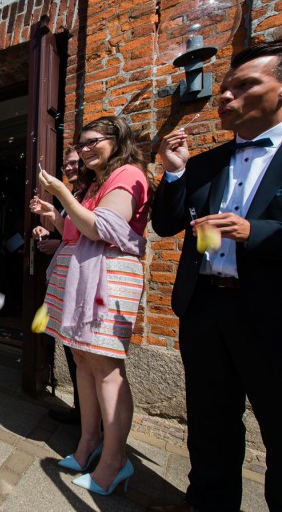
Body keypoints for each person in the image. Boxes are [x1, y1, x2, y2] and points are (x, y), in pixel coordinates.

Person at [151, 40, 282, 512]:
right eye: (224, 88)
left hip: (271, 313)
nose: (225, 97)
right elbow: (165, 224)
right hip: (206, 308)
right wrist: (173, 173)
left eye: (244, 85)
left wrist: (255, 231)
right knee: (210, 423)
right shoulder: (206, 163)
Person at [31, 116, 151, 496]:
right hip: (77, 275)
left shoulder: (129, 173)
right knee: (82, 361)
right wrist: (57, 213)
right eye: (81, 144)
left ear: (117, 139)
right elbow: (74, 230)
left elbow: (104, 228)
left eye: (92, 142)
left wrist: (60, 194)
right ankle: (87, 444)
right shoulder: (93, 184)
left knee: (106, 367)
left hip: (107, 278)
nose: (84, 150)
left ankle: (116, 461)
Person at [31, 147, 84, 425]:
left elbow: (85, 235)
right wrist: (47, 227)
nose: (71, 167)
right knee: (71, 349)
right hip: (65, 280)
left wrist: (58, 237)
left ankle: (90, 418)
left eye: (76, 162)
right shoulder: (73, 196)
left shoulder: (87, 195)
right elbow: (68, 234)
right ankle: (81, 411)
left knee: (83, 353)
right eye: (68, 163)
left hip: (84, 282)